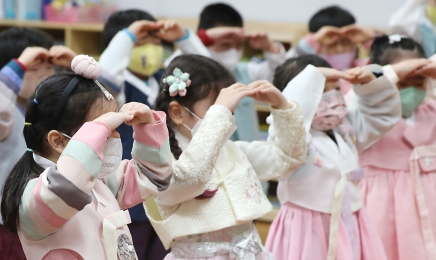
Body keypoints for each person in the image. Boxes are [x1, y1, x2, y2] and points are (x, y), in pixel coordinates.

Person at [0, 55, 172, 260]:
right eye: (107, 128)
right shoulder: (35, 195)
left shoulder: (100, 182)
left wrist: (148, 125)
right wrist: (100, 128)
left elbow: (152, 176)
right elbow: (66, 188)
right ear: (58, 141)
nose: (115, 135)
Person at [143, 54, 306, 259]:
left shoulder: (232, 151)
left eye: (229, 111)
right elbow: (191, 176)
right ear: (177, 112)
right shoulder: (156, 161)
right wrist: (219, 112)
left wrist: (282, 106)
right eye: (217, 110)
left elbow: (289, 157)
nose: (225, 119)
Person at [265, 54, 404, 260]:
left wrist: (369, 82)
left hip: (353, 220)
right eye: (321, 91)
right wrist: (314, 75)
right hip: (307, 227)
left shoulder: (345, 129)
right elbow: (289, 117)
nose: (333, 99)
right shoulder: (288, 135)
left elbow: (381, 114)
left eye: (336, 89)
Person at [99, 10, 210, 259]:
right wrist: (128, 35)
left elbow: (208, 73)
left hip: (167, 192)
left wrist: (183, 37)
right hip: (130, 193)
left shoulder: (165, 80)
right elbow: (103, 73)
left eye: (156, 41)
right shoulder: (113, 87)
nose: (151, 47)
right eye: (141, 41)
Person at [359, 35, 436, 260]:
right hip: (380, 208)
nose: (411, 91)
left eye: (419, 82)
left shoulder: (431, 111)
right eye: (403, 83)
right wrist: (391, 74)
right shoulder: (366, 115)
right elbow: (361, 94)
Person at [183, 2, 289, 142]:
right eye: (225, 44)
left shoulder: (246, 71)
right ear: (204, 43)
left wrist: (269, 47)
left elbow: (282, 73)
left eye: (239, 44)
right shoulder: (189, 74)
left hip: (248, 156)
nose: (233, 50)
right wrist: (203, 38)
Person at [294, 5, 382, 94]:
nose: (340, 48)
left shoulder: (364, 68)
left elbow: (387, 61)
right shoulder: (306, 73)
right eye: (331, 44)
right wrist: (313, 40)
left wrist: (372, 38)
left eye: (346, 42)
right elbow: (290, 65)